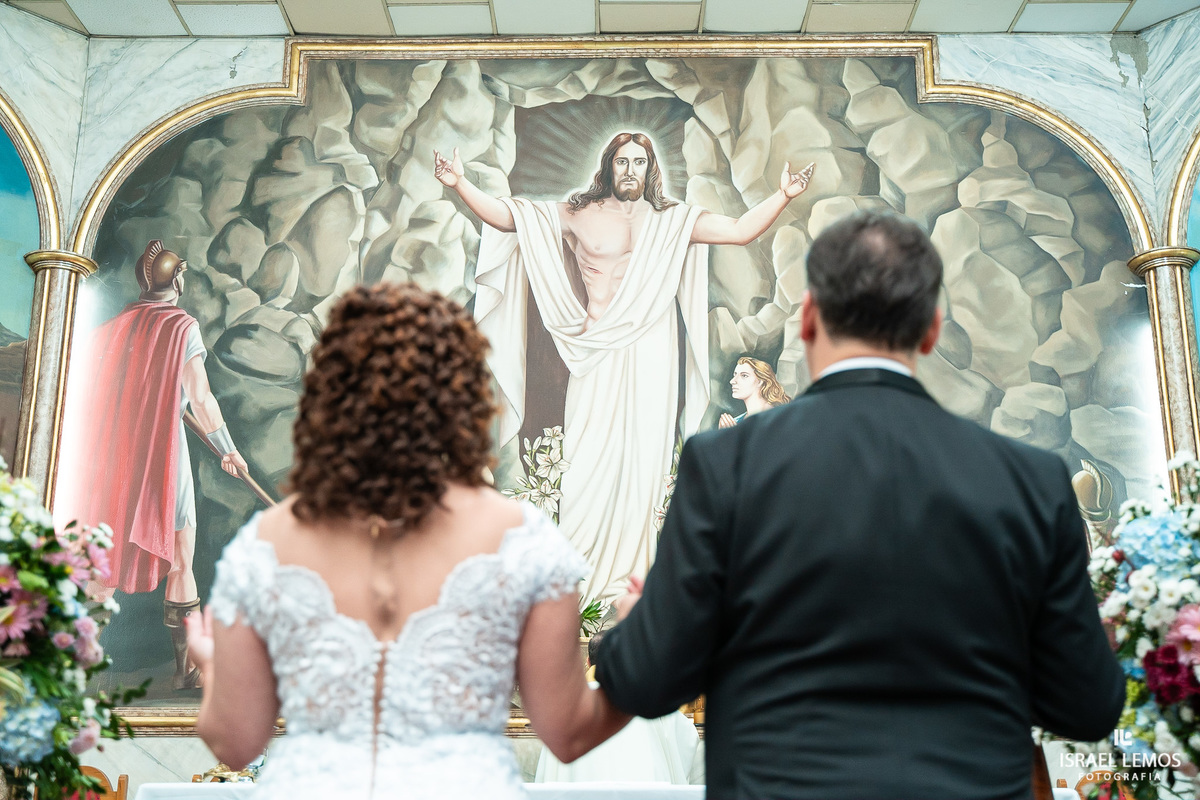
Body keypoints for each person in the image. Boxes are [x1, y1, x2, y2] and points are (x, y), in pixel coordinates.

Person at [594, 211, 1125, 799]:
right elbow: (1087, 707)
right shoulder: (1030, 479)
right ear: (931, 329)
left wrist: (629, 631)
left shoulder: (725, 464)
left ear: (809, 319)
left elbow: (648, 681)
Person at [185, 283, 630, 799]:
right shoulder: (520, 541)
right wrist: (639, 658)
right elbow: (570, 734)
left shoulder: (269, 541)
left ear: (332, 397)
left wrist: (214, 664)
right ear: (461, 396)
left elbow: (235, 743)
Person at [435, 133, 813, 599]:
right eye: (622, 161)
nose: (630, 169)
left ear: (650, 167)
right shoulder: (578, 213)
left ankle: (638, 581)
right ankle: (581, 579)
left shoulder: (672, 221)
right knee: (586, 454)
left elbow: (739, 230)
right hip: (595, 348)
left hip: (652, 348)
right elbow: (511, 219)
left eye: (639, 161)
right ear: (608, 166)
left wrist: (783, 195)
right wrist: (459, 185)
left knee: (646, 454)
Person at [54, 240, 247, 690]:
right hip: (162, 457)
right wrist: (228, 449)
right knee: (181, 558)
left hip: (114, 461)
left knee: (106, 559)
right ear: (175, 280)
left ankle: (71, 670)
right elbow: (199, 398)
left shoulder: (112, 328)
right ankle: (189, 671)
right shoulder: (182, 326)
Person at [535, 629, 703, 785]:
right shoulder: (647, 701)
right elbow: (686, 736)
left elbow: (550, 767)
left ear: (588, 661)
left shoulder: (568, 707)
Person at [718, 356, 790, 428]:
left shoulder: (780, 418)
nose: (732, 381)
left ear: (760, 381)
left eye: (744, 376)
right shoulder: (735, 422)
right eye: (735, 375)